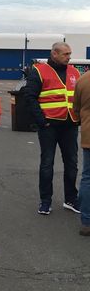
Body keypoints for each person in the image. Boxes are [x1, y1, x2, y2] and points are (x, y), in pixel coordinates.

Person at [24, 42, 81, 215]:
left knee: (72, 164)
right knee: (47, 164)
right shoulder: (39, 71)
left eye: (70, 54)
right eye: (65, 54)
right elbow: (30, 97)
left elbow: (78, 97)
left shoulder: (75, 72)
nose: (69, 57)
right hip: (49, 126)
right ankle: (45, 201)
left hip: (70, 125)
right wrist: (42, 121)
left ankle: (71, 199)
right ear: (54, 54)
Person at [73, 69, 90, 236]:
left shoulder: (82, 80)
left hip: (88, 135)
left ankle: (86, 222)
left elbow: (76, 108)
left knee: (88, 178)